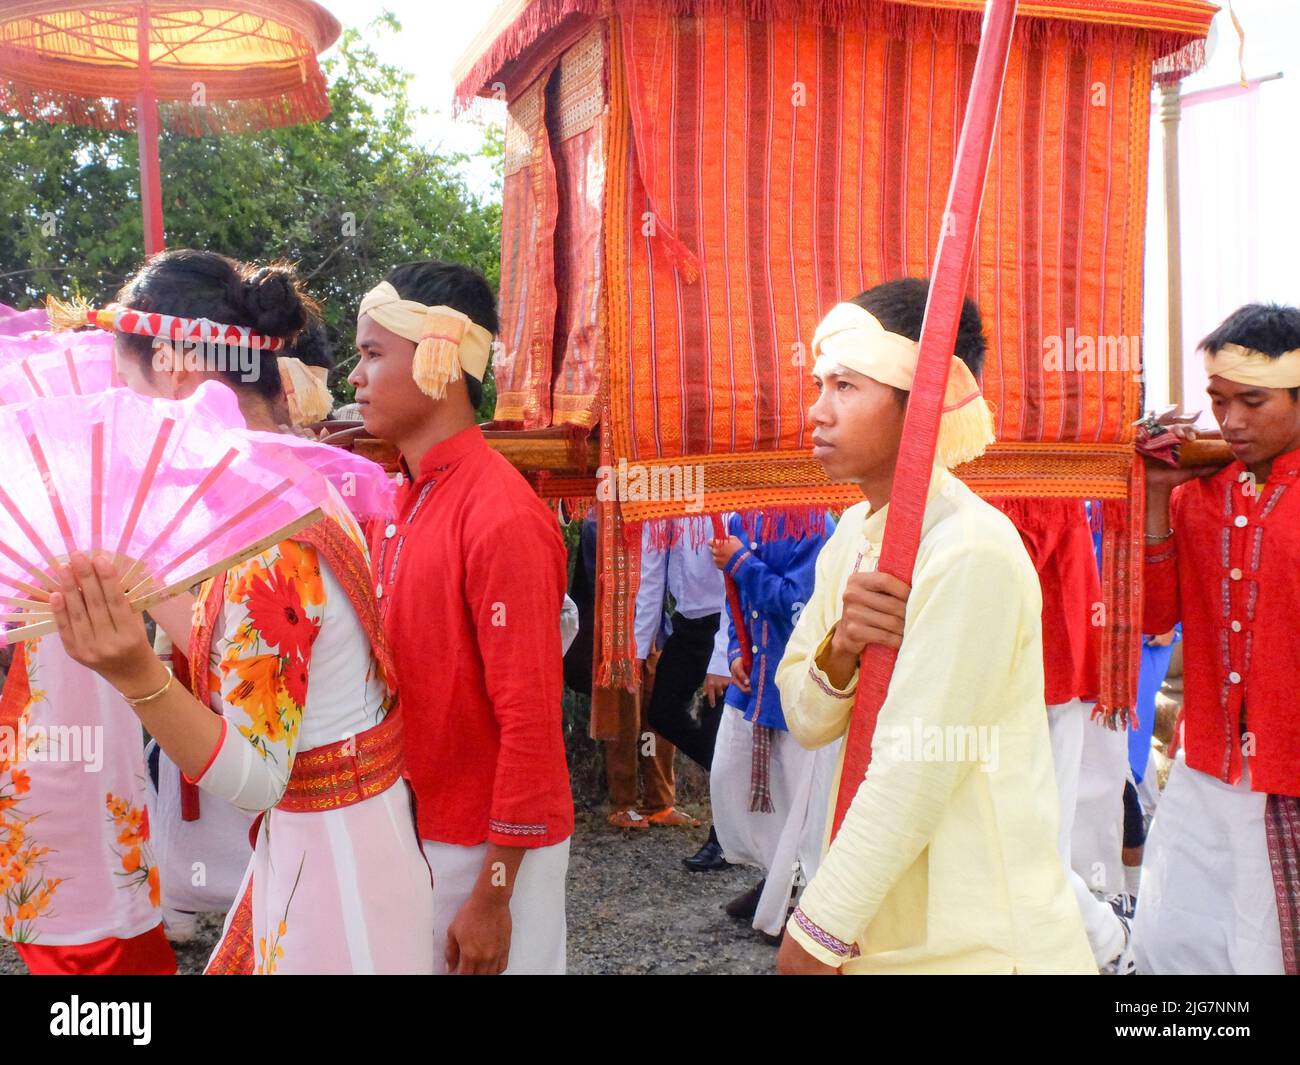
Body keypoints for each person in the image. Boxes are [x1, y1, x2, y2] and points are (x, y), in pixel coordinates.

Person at [50, 249, 435, 974]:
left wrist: (135, 673)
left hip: (332, 883)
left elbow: (258, 776)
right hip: (352, 845)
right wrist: (144, 588)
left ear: (177, 368)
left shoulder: (268, 535)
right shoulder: (290, 484)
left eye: (129, 392)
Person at [773, 278, 1093, 975]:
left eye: (845, 387)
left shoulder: (969, 548)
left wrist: (814, 933)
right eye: (820, 383)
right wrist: (843, 648)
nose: (816, 410)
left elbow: (913, 766)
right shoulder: (852, 535)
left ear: (917, 402)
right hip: (890, 934)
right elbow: (802, 712)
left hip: (975, 942)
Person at [350, 261, 573, 975]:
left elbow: (532, 724)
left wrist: (494, 894)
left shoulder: (501, 516)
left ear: (442, 357)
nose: (353, 377)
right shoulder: (402, 501)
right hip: (416, 826)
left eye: (372, 353)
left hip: (483, 850)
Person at [1134, 303, 1300, 975]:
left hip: (1288, 770)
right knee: (1176, 945)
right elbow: (1151, 621)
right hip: (1207, 761)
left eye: (1252, 401)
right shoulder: (1198, 493)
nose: (1230, 421)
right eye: (1219, 400)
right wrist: (1153, 498)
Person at [990, 496, 1133, 971]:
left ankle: (1105, 942)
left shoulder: (1030, 469)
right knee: (1018, 838)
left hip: (1039, 679)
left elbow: (999, 569)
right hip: (1027, 676)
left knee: (1028, 841)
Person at [707, 510, 838, 943]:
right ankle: (774, 881)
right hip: (755, 682)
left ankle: (798, 903)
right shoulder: (743, 519)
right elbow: (735, 601)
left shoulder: (817, 526)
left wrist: (740, 562)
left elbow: (799, 603)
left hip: (799, 686)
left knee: (799, 804)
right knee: (731, 783)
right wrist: (734, 652)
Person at [634, 518, 730, 864]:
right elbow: (651, 579)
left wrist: (722, 658)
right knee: (662, 711)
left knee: (718, 726)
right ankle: (735, 773)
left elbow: (735, 579)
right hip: (688, 624)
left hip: (725, 623)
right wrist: (638, 651)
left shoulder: (723, 498)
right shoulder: (663, 502)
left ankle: (724, 840)